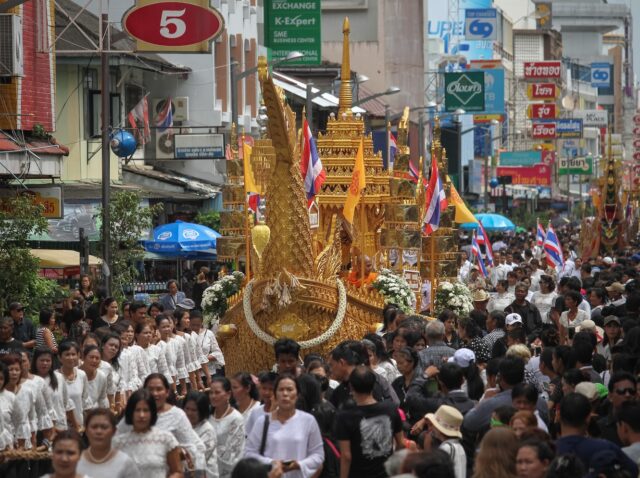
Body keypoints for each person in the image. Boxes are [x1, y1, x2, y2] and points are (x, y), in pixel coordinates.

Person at [244, 374, 324, 477]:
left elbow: (318, 455)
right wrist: (272, 463)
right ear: (275, 394)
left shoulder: (308, 421)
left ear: (298, 394)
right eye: (281, 390)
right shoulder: (262, 421)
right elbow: (249, 453)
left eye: (290, 389)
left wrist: (299, 464)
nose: (285, 394)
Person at [334, 366, 403, 478]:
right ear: (373, 384)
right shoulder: (390, 408)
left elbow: (346, 456)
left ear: (351, 386)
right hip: (386, 473)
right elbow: (401, 443)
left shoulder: (345, 417)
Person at [555, 392, 637, 475]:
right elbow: (633, 470)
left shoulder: (547, 452)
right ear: (588, 419)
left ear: (558, 416)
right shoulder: (606, 448)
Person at [113, 389, 182, 478]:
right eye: (137, 410)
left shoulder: (167, 439)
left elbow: (177, 471)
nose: (142, 415)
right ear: (130, 413)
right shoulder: (118, 443)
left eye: (146, 410)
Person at [77, 408, 141, 478]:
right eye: (94, 427)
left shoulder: (125, 463)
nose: (99, 431)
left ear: (114, 431)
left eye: (104, 427)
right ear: (86, 431)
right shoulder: (75, 462)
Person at [209, 377, 245, 477]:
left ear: (228, 394)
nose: (213, 396)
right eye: (211, 392)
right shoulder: (208, 416)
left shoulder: (236, 418)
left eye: (217, 392)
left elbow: (236, 452)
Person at [32, 347, 74, 432]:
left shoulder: (59, 377)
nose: (45, 363)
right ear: (35, 361)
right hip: (40, 430)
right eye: (42, 360)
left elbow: (67, 404)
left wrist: (75, 425)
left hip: (61, 428)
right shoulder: (31, 381)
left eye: (48, 360)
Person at [183, 391, 219, 478]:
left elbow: (196, 457)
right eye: (187, 409)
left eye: (194, 410)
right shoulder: (182, 425)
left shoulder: (207, 430)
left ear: (202, 411)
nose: (189, 413)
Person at [424, 405, 466, 478]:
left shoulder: (447, 448)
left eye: (434, 425)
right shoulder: (457, 446)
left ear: (440, 429)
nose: (432, 427)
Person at [598, 371, 637, 446]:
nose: (627, 395)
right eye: (621, 391)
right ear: (610, 396)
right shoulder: (600, 428)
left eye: (631, 391)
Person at [58, 341, 89, 430]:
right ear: (59, 357)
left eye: (73, 354)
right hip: (61, 427)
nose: (71, 357)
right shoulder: (55, 377)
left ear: (78, 355)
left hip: (80, 426)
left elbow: (85, 401)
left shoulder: (82, 375)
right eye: (67, 354)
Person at [191, 310, 225, 379]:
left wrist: (203, 360)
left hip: (211, 371)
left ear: (202, 322)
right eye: (193, 325)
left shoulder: (209, 333)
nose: (195, 327)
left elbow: (217, 352)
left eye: (198, 325)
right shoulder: (187, 335)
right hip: (194, 375)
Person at [245, 371, 277, 436]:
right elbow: (248, 435)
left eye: (271, 389)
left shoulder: (284, 413)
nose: (267, 392)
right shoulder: (255, 412)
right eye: (264, 388)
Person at [81, 344, 109, 411]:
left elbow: (102, 399)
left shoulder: (102, 376)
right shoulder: (75, 374)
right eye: (91, 357)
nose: (94, 360)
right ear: (83, 357)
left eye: (97, 358)